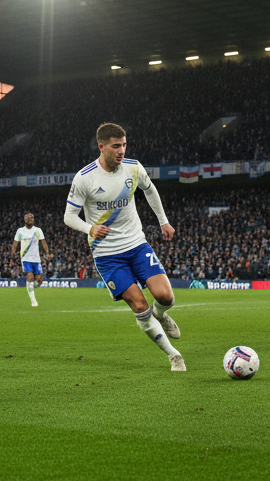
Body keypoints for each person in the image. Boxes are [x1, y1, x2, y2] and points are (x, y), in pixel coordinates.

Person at [64, 122, 184, 371]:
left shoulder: (133, 168)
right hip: (107, 254)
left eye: (124, 145)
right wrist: (90, 228)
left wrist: (164, 222)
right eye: (116, 146)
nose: (121, 150)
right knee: (140, 305)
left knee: (165, 297)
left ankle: (160, 314)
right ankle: (173, 356)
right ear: (102, 147)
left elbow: (150, 191)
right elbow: (69, 217)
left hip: (137, 244)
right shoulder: (85, 178)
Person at [12, 213, 49, 307]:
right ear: (25, 219)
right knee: (30, 276)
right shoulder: (20, 231)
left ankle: (30, 287)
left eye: (32, 217)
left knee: (39, 279)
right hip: (26, 258)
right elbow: (15, 243)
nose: (30, 219)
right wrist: (13, 253)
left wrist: (47, 252)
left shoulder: (37, 230)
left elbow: (43, 242)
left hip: (36, 259)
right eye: (28, 218)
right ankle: (33, 301)